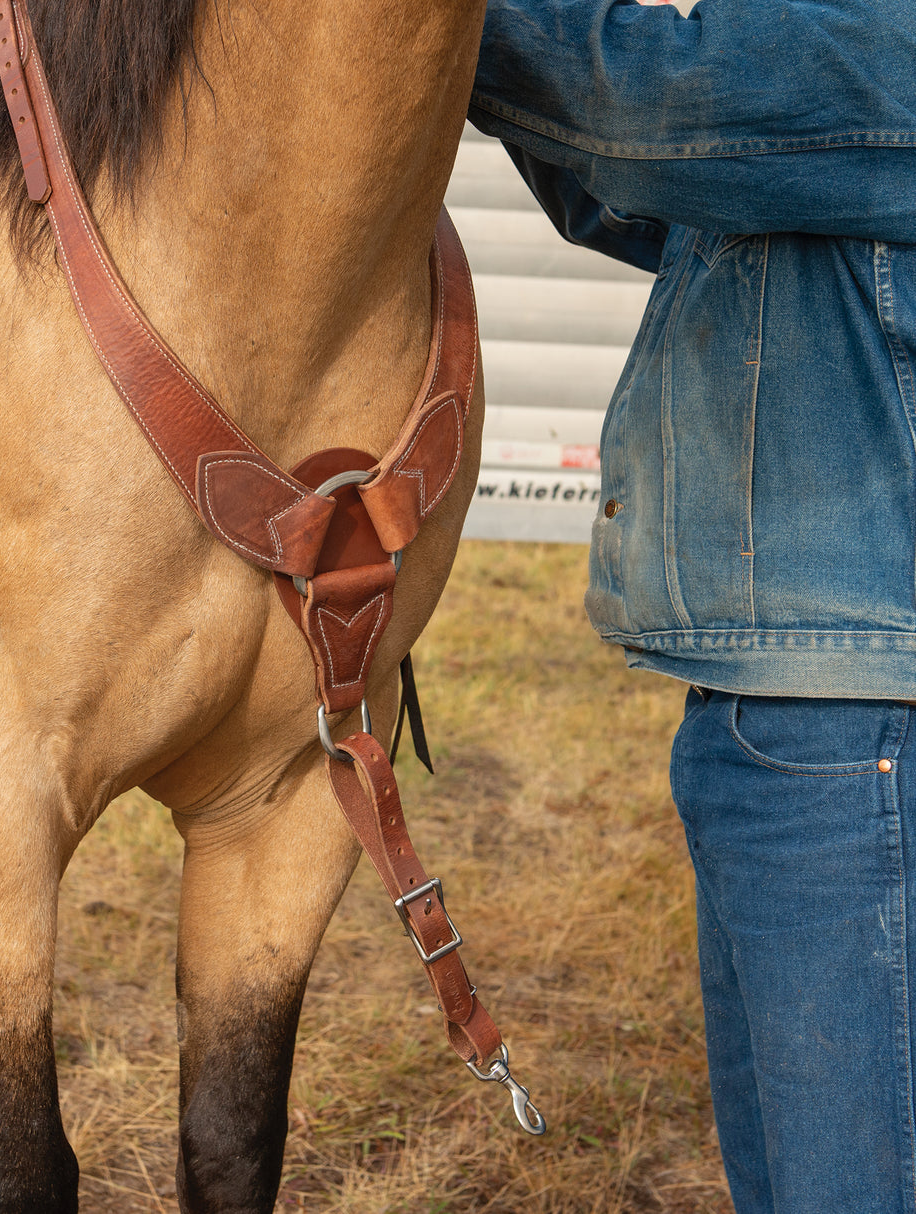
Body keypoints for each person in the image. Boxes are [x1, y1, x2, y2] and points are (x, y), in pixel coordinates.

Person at [467, 1, 916, 1210]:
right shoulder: (817, 137)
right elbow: (632, 194)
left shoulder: (886, 49)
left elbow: (640, 114)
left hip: (854, 736)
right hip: (791, 720)